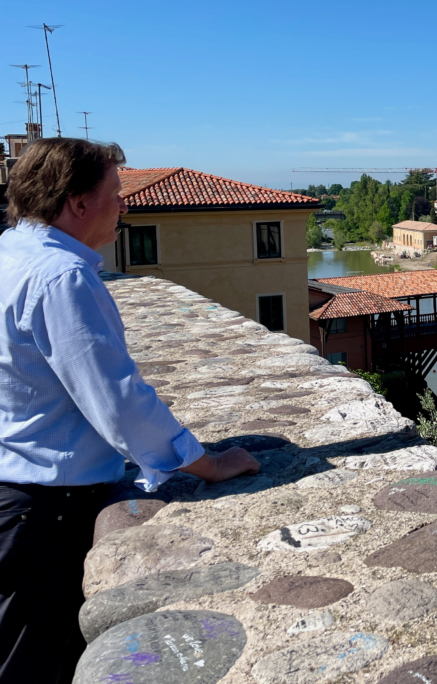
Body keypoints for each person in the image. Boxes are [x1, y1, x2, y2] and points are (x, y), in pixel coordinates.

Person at [0, 138, 261, 684]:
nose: (125, 207)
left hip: (17, 490)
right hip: (47, 508)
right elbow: (118, 402)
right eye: (115, 195)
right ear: (77, 203)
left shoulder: (9, 253)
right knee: (34, 661)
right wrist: (206, 465)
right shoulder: (61, 278)